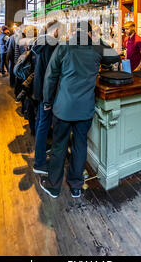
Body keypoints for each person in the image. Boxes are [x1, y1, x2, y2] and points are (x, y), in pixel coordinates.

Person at [40, 21, 120, 199]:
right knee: (80, 145)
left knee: (59, 146)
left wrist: (47, 101)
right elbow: (115, 56)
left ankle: (54, 186)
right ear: (90, 34)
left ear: (74, 32)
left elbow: (50, 76)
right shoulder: (96, 49)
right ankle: (76, 185)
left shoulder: (64, 47)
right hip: (85, 108)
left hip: (63, 108)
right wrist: (96, 40)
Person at [31, 20, 61, 174]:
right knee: (44, 124)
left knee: (40, 122)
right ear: (54, 31)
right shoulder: (51, 45)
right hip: (46, 90)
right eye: (60, 30)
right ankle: (39, 162)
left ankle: (41, 151)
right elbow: (52, 73)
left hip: (39, 88)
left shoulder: (41, 42)